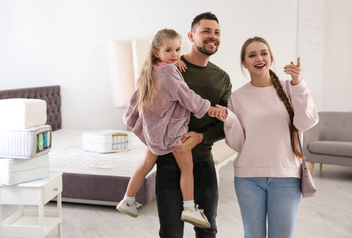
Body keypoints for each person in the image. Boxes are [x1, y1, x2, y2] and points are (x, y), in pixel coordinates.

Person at [116, 28, 226, 228]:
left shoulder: (152, 69)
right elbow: (186, 95)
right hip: (171, 133)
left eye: (177, 49)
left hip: (154, 133)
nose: (175, 54)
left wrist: (174, 63)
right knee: (187, 167)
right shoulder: (168, 73)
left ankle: (128, 200)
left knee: (144, 165)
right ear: (157, 52)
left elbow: (140, 96)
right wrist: (209, 109)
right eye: (169, 50)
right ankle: (190, 208)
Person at [213, 36, 319, 238]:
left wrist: (299, 84)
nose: (259, 58)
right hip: (248, 178)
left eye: (263, 53)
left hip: (287, 176)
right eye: (252, 55)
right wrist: (229, 119)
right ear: (244, 63)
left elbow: (305, 123)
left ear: (271, 57)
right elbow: (237, 143)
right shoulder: (237, 97)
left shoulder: (291, 87)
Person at [155, 12, 232, 238]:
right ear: (191, 35)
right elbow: (148, 105)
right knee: (170, 233)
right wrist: (165, 64)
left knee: (207, 230)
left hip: (204, 166)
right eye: (206, 31)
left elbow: (225, 121)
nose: (213, 36)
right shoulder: (170, 70)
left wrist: (200, 138)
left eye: (217, 32)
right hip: (169, 164)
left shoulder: (223, 78)